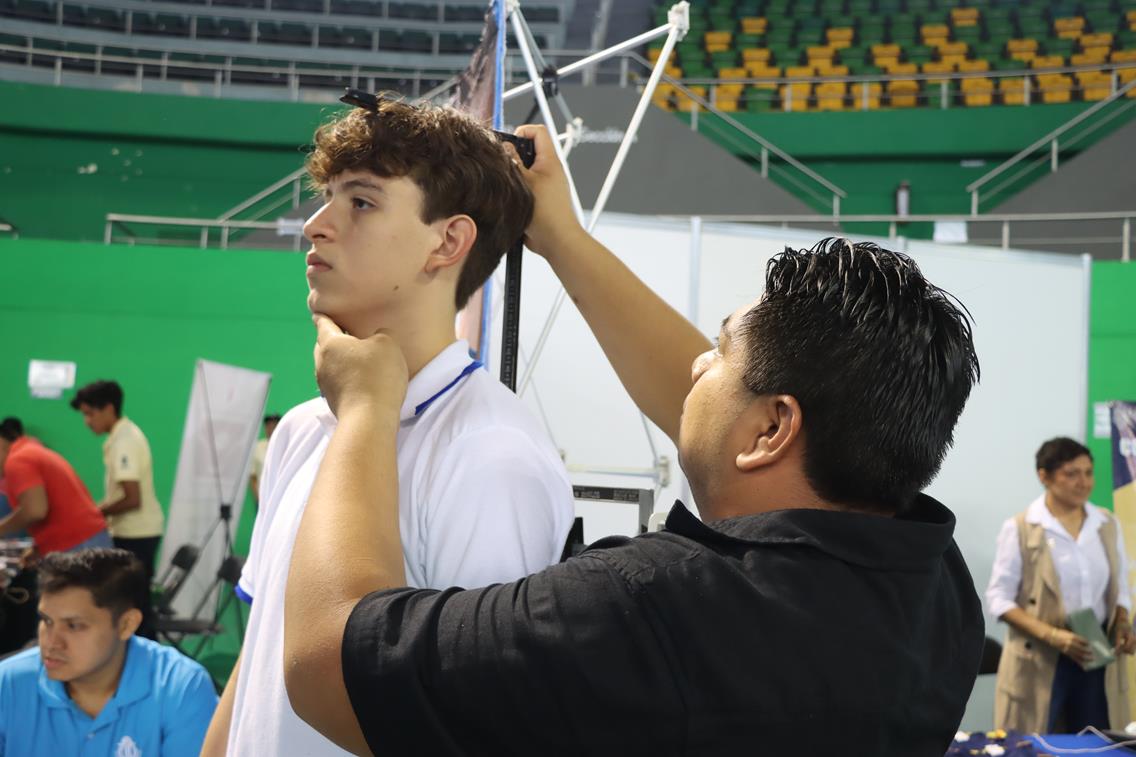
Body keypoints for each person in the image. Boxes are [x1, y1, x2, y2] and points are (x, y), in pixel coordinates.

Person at [281, 124, 986, 756]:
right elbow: (734, 414)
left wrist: (368, 411)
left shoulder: (645, 612)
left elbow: (325, 658)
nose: (695, 365)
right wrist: (561, 237)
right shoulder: (931, 588)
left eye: (719, 352)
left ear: (771, 428)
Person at [200, 99, 574, 756]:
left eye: (362, 202)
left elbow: (470, 722)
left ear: (448, 241)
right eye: (327, 198)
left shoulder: (492, 457)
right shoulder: (303, 425)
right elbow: (256, 658)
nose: (315, 226)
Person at [0, 548, 217, 755]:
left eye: (74, 625)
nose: (51, 642)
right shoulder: (8, 683)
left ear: (126, 625)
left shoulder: (180, 688)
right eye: (46, 620)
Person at [986, 437, 1135, 733]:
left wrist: (1122, 622)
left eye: (1088, 472)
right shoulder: (1021, 527)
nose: (1084, 482)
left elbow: (1120, 588)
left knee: (1100, 743)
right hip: (1040, 659)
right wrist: (1054, 636)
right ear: (1044, 476)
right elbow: (998, 599)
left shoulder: (1106, 524)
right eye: (1072, 474)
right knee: (1034, 744)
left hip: (1095, 656)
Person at [72, 380, 165, 640]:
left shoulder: (125, 440)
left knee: (135, 606)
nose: (87, 421)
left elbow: (132, 498)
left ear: (109, 409)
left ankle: (146, 668)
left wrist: (95, 512)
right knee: (133, 602)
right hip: (135, 531)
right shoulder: (121, 436)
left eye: (90, 414)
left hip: (136, 533)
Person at [0, 416, 110, 556]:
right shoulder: (31, 450)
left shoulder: (18, 460)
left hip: (78, 545)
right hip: (86, 539)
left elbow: (35, 511)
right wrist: (39, 547)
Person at [248, 413, 281, 504]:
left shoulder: (287, 445)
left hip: (282, 498)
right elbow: (252, 476)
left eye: (274, 425)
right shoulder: (257, 447)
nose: (271, 428)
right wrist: (258, 498)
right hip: (263, 498)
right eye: (268, 425)